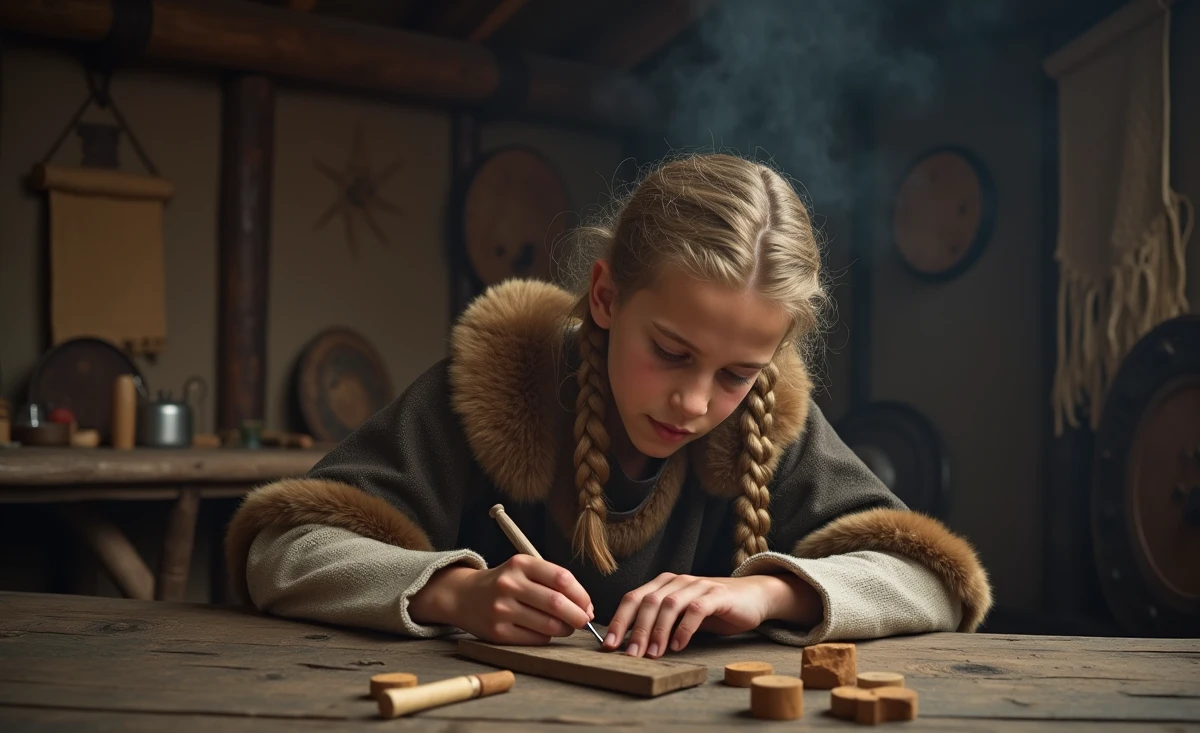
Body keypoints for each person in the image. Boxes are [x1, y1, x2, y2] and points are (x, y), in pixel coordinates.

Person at [226, 153, 992, 659]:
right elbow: (279, 553)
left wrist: (765, 592)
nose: (694, 402)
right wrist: (454, 594)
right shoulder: (498, 382)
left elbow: (936, 583)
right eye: (671, 351)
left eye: (736, 374)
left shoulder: (766, 418)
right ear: (604, 296)